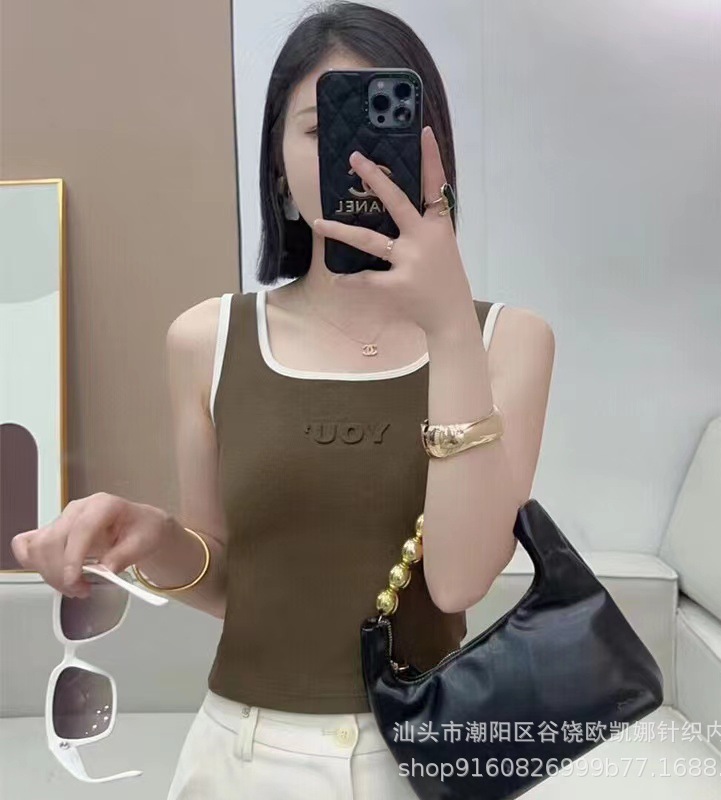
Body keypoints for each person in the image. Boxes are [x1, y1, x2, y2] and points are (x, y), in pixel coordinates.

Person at [12, 1, 555, 796]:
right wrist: (153, 536)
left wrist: (447, 323)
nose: (359, 155)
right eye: (323, 127)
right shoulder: (207, 340)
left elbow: (459, 581)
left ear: (435, 153)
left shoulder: (509, 341)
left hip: (420, 758)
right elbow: (228, 580)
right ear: (278, 162)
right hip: (239, 754)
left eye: (387, 123)